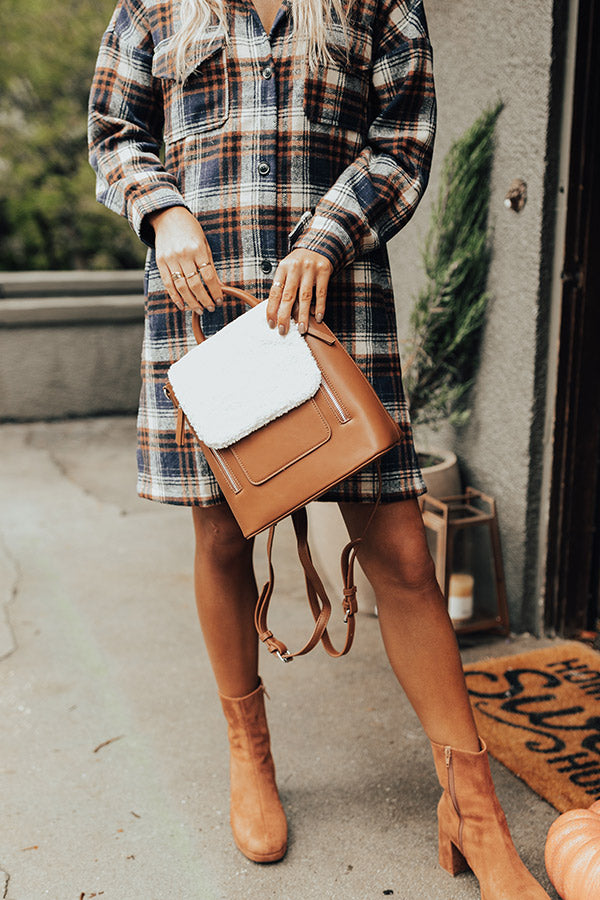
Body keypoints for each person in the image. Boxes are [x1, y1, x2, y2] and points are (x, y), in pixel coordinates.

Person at [88, 0, 549, 894]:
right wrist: (164, 211)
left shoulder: (379, 3)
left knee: (404, 554)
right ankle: (250, 754)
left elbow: (402, 140)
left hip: (334, 309)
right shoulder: (152, 5)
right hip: (206, 314)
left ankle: (473, 809)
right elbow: (115, 130)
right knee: (224, 535)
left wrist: (329, 236)